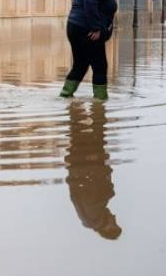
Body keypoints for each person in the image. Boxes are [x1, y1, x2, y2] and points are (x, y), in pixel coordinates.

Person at [59, 0, 125, 100]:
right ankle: (100, 103)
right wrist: (96, 27)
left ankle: (65, 96)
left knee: (80, 64)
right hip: (87, 30)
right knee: (100, 66)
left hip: (75, 27)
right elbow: (90, 2)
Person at [65, 102, 122, 240]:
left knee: (97, 124)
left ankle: (93, 103)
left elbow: (93, 186)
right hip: (79, 161)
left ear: (107, 228)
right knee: (77, 127)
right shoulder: (90, 217)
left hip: (89, 159)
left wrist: (95, 161)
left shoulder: (94, 213)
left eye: (113, 224)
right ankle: (75, 103)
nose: (114, 218)